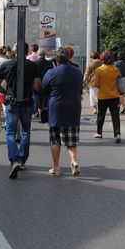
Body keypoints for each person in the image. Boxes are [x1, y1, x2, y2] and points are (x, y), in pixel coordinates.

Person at [0, 43, 41, 179]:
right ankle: (22, 160)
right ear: (26, 52)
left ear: (14, 52)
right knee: (25, 131)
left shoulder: (6, 65)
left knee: (10, 132)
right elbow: (37, 86)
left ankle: (14, 160)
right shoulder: (33, 66)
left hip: (12, 102)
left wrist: (6, 93)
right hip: (27, 102)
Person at [42, 47, 83, 176]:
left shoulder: (51, 72)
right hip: (73, 107)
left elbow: (44, 88)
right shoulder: (77, 72)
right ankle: (74, 161)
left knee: (55, 139)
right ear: (69, 58)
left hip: (56, 108)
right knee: (71, 139)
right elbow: (80, 89)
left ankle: (56, 167)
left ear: (56, 60)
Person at [90, 50, 122, 143]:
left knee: (101, 115)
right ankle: (117, 134)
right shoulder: (116, 69)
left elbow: (95, 83)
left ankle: (99, 133)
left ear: (102, 59)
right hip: (114, 96)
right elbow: (119, 82)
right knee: (115, 116)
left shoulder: (99, 70)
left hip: (103, 96)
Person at [34, 49, 54, 120]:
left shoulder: (35, 63)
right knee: (46, 98)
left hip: (38, 83)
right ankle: (45, 114)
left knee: (38, 99)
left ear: (38, 55)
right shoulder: (49, 63)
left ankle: (40, 114)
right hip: (47, 83)